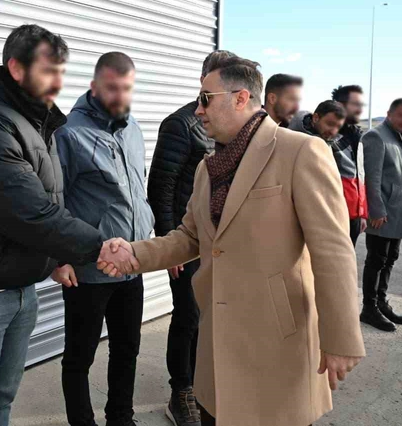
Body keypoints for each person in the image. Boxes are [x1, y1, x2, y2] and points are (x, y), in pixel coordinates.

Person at [100, 59, 365, 426]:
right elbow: (190, 236)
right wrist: (134, 253)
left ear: (241, 98)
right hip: (217, 347)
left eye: (205, 98)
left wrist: (341, 337)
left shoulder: (300, 151)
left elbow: (332, 250)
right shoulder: (208, 168)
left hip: (277, 343)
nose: (198, 109)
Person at [0, 25, 136, 426]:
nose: (58, 82)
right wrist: (99, 247)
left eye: (61, 71)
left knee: (0, 402)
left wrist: (57, 257)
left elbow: (51, 198)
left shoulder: (35, 120)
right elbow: (26, 210)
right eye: (48, 71)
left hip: (15, 288)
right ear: (17, 69)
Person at [52, 52, 155, 426]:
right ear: (94, 86)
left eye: (126, 88)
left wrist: (148, 238)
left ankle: (120, 418)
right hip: (89, 267)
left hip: (131, 262)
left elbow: (138, 187)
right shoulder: (68, 133)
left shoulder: (133, 129)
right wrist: (58, 258)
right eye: (112, 88)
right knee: (80, 356)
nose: (120, 96)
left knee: (127, 349)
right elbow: (53, 199)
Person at [147, 50, 235, 426]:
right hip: (188, 242)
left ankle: (204, 386)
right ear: (204, 80)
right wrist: (171, 246)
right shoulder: (181, 124)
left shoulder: (230, 126)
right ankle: (180, 392)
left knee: (213, 319)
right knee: (188, 317)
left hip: (221, 244)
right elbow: (160, 187)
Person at [360, 98, 402, 333]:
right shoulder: (376, 136)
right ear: (389, 114)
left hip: (399, 211)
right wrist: (376, 209)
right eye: (400, 115)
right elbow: (370, 177)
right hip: (382, 212)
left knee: (391, 257)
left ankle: (381, 302)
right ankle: (369, 308)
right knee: (376, 259)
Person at [332, 85, 369, 246]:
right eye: (356, 104)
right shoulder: (326, 135)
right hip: (333, 213)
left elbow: (360, 176)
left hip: (354, 215)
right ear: (340, 105)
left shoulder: (357, 136)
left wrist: (362, 213)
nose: (360, 109)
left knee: (347, 258)